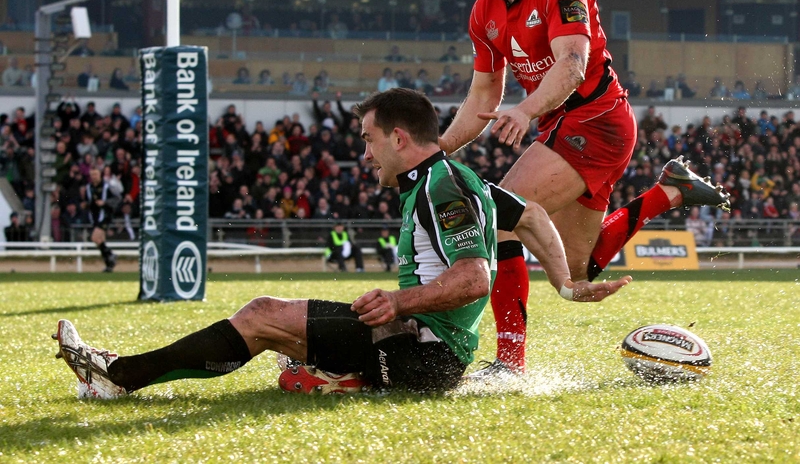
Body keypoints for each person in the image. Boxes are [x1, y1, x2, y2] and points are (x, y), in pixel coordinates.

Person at [53, 88, 628, 399]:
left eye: (369, 139)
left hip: (424, 353)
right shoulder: (455, 179)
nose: (364, 151)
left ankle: (118, 376)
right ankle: (336, 373)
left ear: (399, 138)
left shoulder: (441, 185)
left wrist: (401, 303)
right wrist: (565, 283)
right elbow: (528, 215)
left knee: (261, 317)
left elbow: (477, 278)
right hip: (418, 345)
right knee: (281, 334)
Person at [439, 0, 730, 375]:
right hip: (563, 125)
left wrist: (527, 109)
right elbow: (484, 96)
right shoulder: (483, 11)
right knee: (578, 269)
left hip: (596, 122)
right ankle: (669, 193)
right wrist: (438, 150)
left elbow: (573, 65)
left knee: (502, 214)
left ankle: (509, 364)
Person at [86, 168, 120, 273]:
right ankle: (109, 264)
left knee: (94, 238)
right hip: (95, 217)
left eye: (95, 174)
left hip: (104, 216)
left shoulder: (106, 186)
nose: (93, 176)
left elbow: (117, 198)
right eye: (92, 174)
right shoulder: (89, 187)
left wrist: (105, 202)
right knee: (100, 241)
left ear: (100, 174)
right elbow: (90, 201)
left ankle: (111, 254)